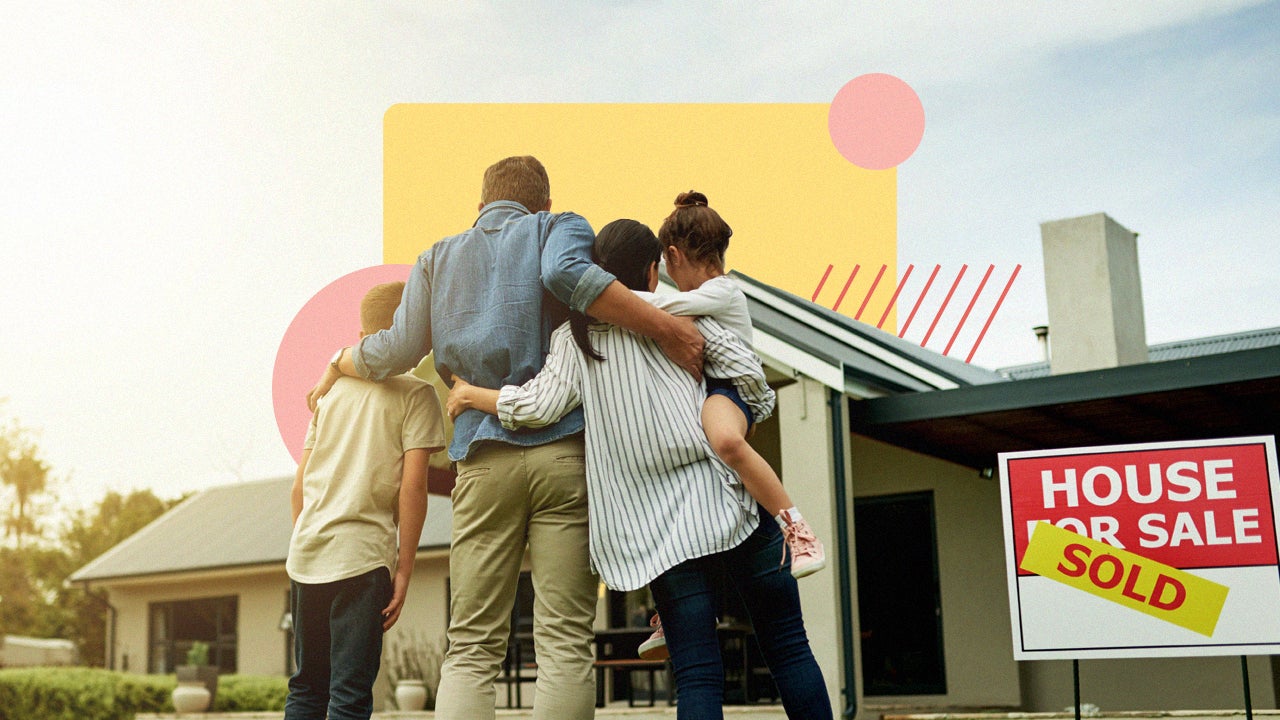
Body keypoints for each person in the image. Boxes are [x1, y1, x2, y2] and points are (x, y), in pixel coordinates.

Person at [305, 156, 705, 720]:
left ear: (480, 206)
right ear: (543, 202)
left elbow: (395, 350)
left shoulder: (436, 258)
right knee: (565, 639)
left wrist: (340, 359)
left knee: (472, 644)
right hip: (564, 454)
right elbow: (570, 276)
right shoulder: (559, 226)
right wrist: (667, 329)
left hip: (483, 460)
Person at [447, 219, 833, 720]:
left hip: (659, 539)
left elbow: (536, 407)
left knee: (697, 672)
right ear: (653, 271)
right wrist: (744, 417)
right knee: (787, 647)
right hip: (726, 503)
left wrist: (472, 394)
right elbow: (751, 380)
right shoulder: (678, 318)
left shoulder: (573, 339)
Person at [636, 191, 826, 661]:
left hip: (730, 392)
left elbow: (660, 312)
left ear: (675, 256)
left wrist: (604, 297)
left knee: (723, 440)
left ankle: (795, 526)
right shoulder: (706, 293)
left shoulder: (722, 291)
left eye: (667, 264)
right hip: (710, 395)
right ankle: (667, 609)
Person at [285, 281, 446, 720]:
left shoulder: (329, 395)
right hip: (363, 557)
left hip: (308, 554)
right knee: (350, 692)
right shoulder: (417, 394)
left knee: (306, 686)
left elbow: (299, 488)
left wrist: (307, 540)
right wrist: (404, 569)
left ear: (362, 338)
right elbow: (411, 489)